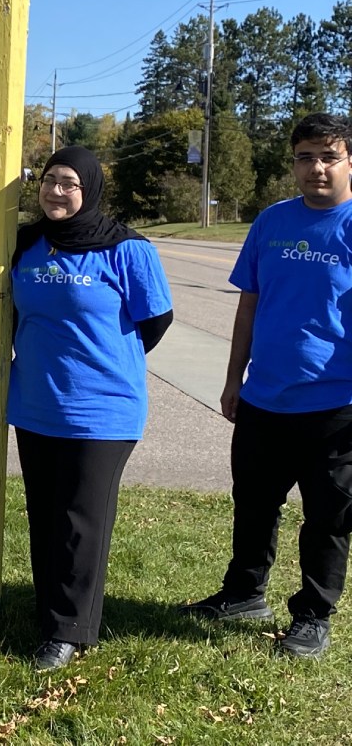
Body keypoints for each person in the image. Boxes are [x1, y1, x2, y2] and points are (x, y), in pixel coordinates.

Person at [0, 145, 173, 670]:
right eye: (50, 179)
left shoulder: (126, 248)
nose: (57, 191)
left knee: (81, 519)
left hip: (102, 410)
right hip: (35, 404)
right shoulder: (25, 243)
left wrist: (103, 360)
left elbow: (156, 320)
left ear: (91, 189)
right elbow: (5, 319)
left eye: (70, 183)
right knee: (46, 514)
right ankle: (49, 613)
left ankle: (70, 631)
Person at [182, 113, 352, 659]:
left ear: (349, 161)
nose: (316, 168)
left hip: (336, 404)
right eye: (305, 156)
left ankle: (314, 615)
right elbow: (249, 304)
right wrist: (234, 378)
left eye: (329, 156)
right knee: (254, 503)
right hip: (264, 398)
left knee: (327, 516)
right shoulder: (271, 222)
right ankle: (243, 594)